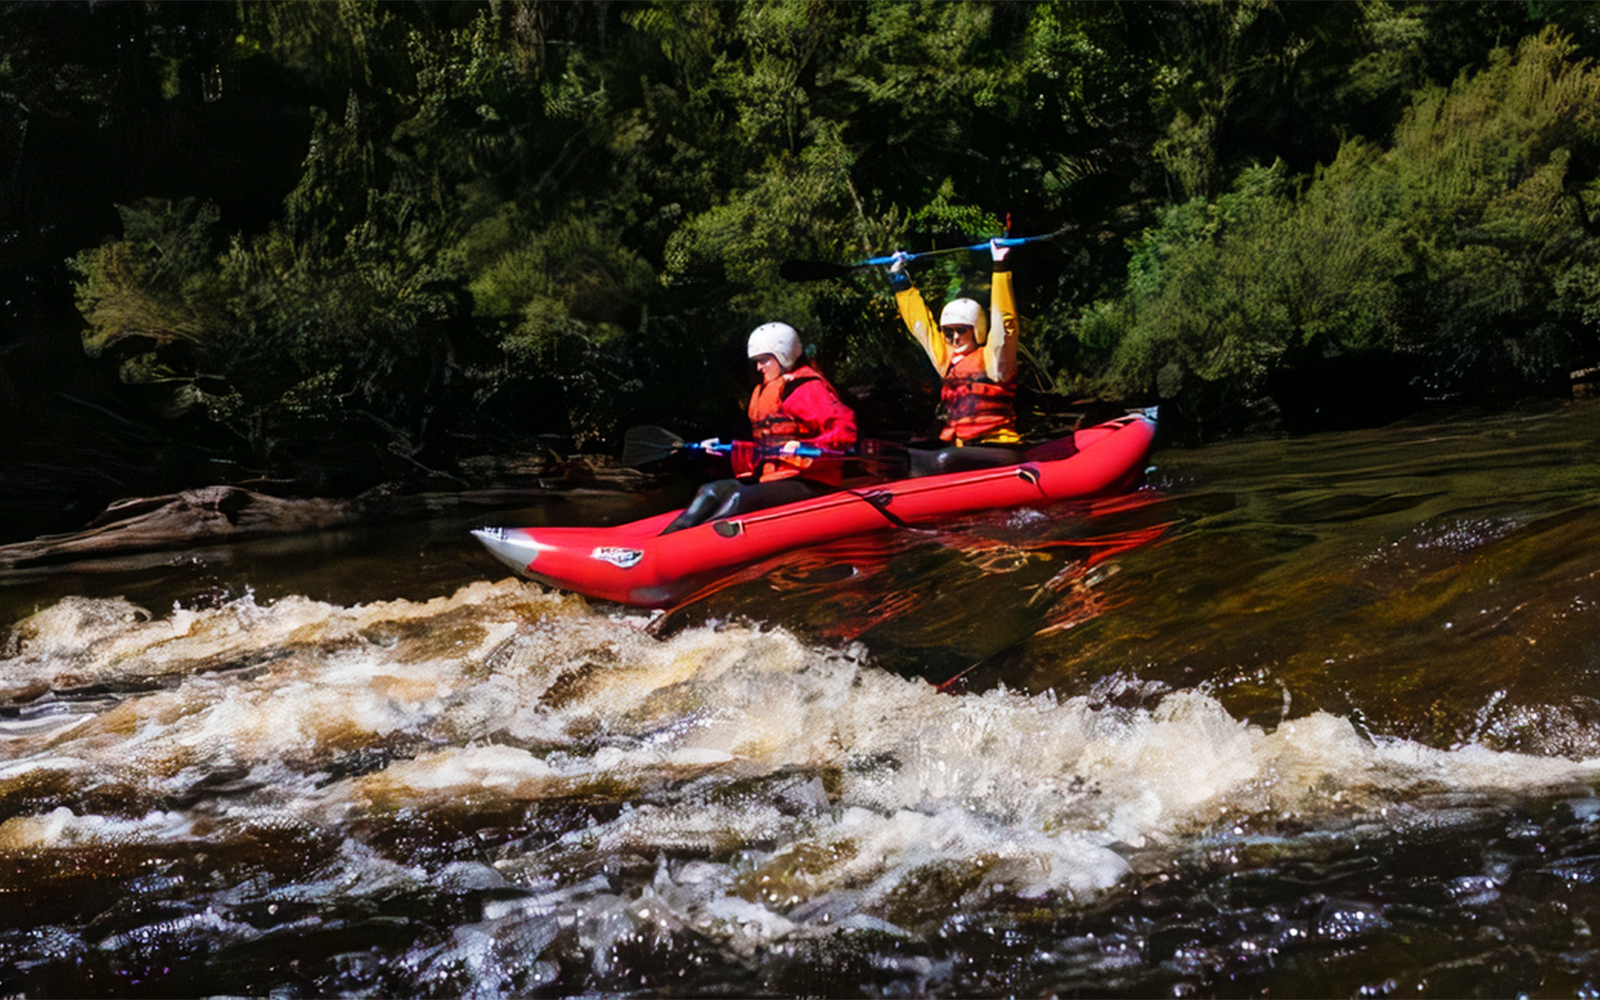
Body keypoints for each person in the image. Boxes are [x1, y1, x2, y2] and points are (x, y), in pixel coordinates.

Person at [661, 322, 857, 534]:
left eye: (764, 360)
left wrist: (805, 445)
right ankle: (664, 539)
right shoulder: (766, 390)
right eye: (757, 361)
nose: (759, 368)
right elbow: (758, 446)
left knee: (736, 499)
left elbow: (846, 432)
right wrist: (723, 448)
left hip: (810, 483)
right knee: (710, 491)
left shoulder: (806, 389)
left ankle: (694, 542)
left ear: (784, 355)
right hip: (775, 480)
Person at [886, 238, 1032, 476]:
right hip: (964, 448)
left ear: (977, 330)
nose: (954, 337)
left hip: (999, 448)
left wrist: (1000, 266)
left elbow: (1005, 325)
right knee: (911, 455)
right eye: (948, 331)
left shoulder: (994, 360)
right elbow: (920, 325)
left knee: (943, 460)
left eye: (961, 330)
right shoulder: (947, 362)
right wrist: (899, 280)